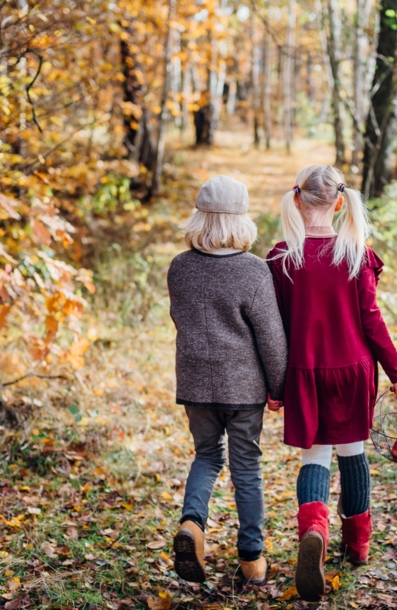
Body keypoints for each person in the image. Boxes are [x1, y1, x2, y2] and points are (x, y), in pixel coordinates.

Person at [267, 164, 397, 601]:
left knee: (315, 455)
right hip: (352, 371)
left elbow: (274, 329)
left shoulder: (281, 257)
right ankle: (358, 543)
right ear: (338, 202)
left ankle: (314, 531)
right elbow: (372, 321)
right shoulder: (355, 252)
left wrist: (275, 388)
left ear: (297, 200)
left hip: (305, 372)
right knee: (352, 454)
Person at [168, 175, 288, 585]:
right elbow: (271, 337)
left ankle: (193, 527)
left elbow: (179, 319)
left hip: (196, 385)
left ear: (198, 218)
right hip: (244, 389)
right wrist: (279, 388)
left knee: (206, 456)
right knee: (246, 468)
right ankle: (252, 559)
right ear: (242, 220)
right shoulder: (254, 272)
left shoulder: (179, 268)